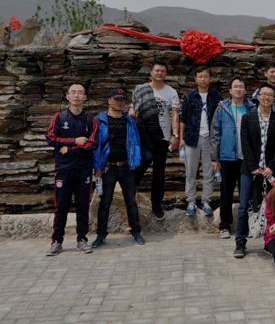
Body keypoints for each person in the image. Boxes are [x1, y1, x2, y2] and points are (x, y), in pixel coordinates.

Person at [234, 84, 275, 259]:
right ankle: (240, 242)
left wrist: (271, 167)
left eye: (270, 95)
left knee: (272, 207)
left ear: (273, 98)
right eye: (263, 94)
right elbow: (245, 144)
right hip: (249, 170)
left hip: (270, 171)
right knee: (244, 207)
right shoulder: (247, 118)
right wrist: (253, 167)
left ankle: (270, 241)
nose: (266, 97)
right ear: (258, 97)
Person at [45, 83, 97, 256]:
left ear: (85, 97)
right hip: (64, 169)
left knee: (83, 206)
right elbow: (51, 138)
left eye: (80, 93)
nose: (76, 95)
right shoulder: (59, 117)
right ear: (67, 96)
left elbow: (92, 143)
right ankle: (57, 241)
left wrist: (68, 148)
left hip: (84, 169)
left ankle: (82, 239)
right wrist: (74, 141)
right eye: (73, 92)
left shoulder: (90, 119)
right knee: (61, 207)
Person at [92, 89, 145, 248]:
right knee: (105, 202)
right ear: (109, 100)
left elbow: (136, 142)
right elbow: (96, 145)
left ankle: (136, 232)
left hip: (127, 166)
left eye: (122, 99)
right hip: (108, 168)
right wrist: (97, 166)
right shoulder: (99, 120)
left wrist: (135, 160)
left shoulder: (129, 120)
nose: (120, 102)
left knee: (131, 201)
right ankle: (101, 235)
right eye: (116, 99)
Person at [130, 61, 180, 220]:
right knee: (144, 159)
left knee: (159, 172)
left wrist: (175, 135)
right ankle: (129, 191)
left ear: (166, 73)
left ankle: (156, 205)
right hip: (143, 135)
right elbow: (133, 109)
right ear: (151, 72)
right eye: (157, 70)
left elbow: (175, 114)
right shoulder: (141, 89)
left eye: (162, 71)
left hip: (162, 136)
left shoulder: (171, 92)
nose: (159, 73)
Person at [211, 77, 255, 239]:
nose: (238, 89)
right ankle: (224, 225)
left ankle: (247, 226)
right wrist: (214, 158)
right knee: (226, 193)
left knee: (247, 193)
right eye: (235, 86)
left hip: (246, 159)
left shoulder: (251, 108)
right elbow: (215, 133)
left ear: (245, 90)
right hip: (227, 157)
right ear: (230, 90)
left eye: (241, 86)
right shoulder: (222, 108)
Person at [180, 66, 222, 216]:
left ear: (210, 78)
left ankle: (206, 201)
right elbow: (183, 119)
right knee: (190, 171)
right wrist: (181, 138)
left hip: (210, 139)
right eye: (200, 76)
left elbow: (220, 119)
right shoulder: (189, 97)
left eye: (206, 76)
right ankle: (191, 201)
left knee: (208, 172)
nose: (203, 79)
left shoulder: (216, 96)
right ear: (196, 79)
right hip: (192, 138)